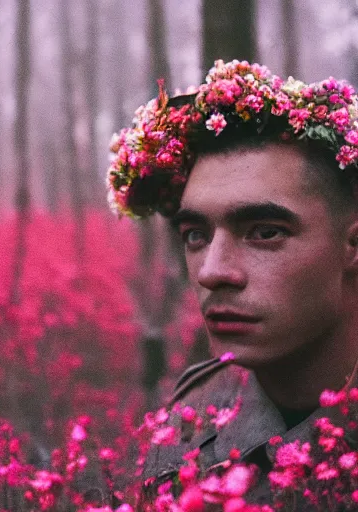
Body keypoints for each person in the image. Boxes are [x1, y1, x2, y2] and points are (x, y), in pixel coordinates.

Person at [107, 60, 358, 507]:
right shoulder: (193, 411)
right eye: (196, 236)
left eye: (264, 232)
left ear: (352, 246)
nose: (211, 272)